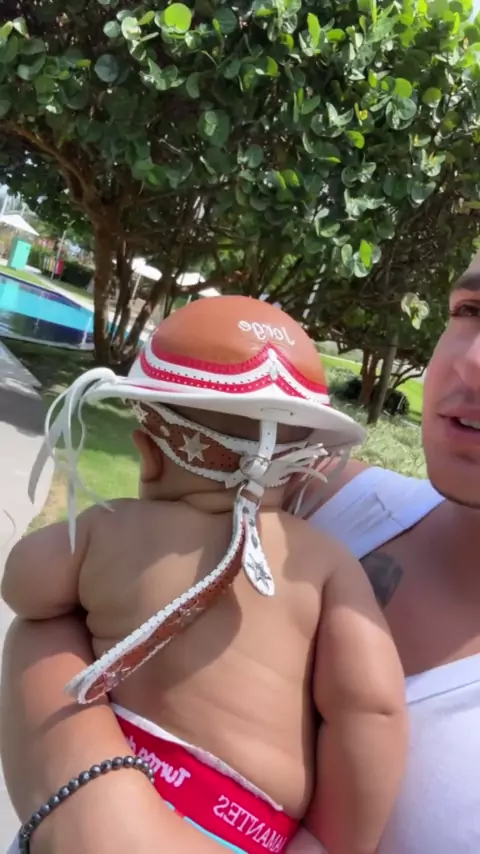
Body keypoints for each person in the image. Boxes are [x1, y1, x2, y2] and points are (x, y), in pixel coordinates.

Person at [3, 253, 480, 854]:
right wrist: (325, 845)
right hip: (245, 826)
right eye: (471, 310)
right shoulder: (326, 560)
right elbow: (372, 711)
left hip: (124, 763)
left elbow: (25, 589)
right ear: (303, 466)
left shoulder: (111, 530)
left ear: (147, 456)